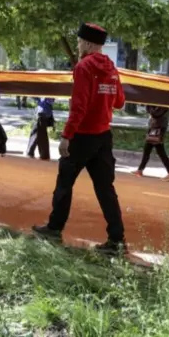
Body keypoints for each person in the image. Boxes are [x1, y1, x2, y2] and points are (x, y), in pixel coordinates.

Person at [32, 23, 127, 255]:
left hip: (83, 136)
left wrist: (66, 136)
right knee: (105, 189)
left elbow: (79, 107)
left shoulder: (83, 67)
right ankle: (117, 240)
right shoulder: (112, 68)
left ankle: (54, 229)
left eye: (79, 41)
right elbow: (119, 102)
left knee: (64, 184)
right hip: (104, 137)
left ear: (87, 43)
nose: (77, 45)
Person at [133, 105, 169, 181]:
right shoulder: (157, 102)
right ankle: (140, 170)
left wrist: (148, 105)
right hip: (154, 127)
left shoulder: (164, 104)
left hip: (159, 128)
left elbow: (155, 113)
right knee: (147, 149)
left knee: (160, 152)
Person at [25, 96, 55, 160]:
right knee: (37, 131)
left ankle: (42, 154)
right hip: (42, 111)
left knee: (39, 132)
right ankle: (32, 152)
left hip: (43, 111)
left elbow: (50, 100)